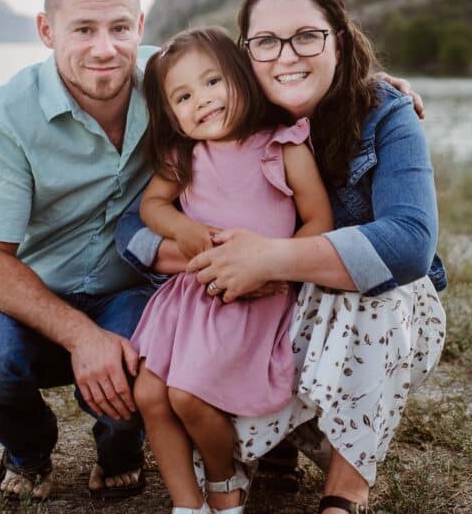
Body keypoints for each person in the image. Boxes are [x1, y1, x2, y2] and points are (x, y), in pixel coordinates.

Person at [116, 0, 447, 514]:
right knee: (185, 394)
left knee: (366, 291)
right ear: (246, 56)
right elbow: (135, 222)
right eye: (267, 41)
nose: (286, 55)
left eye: (307, 37)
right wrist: (206, 253)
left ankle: (345, 488)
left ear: (337, 40)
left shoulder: (379, 113)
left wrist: (269, 260)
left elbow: (408, 244)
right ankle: (267, 454)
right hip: (231, 303)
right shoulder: (217, 132)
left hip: (362, 308)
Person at [0, 0, 156, 501]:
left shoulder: (175, 79)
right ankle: (28, 451)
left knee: (148, 350)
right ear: (46, 30)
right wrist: (82, 337)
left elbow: (274, 77)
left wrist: (371, 87)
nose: (104, 48)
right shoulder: (5, 118)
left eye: (119, 28)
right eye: (83, 28)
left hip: (131, 293)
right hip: (33, 299)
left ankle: (121, 446)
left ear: (141, 27)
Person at [130, 27, 334, 514]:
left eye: (212, 82)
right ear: (172, 115)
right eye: (183, 95)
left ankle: (225, 483)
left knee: (187, 394)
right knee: (149, 393)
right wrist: (180, 227)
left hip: (249, 299)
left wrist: (275, 264)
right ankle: (186, 504)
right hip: (189, 298)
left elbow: (320, 220)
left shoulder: (281, 146)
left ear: (241, 77)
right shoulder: (185, 156)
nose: (201, 101)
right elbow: (152, 205)